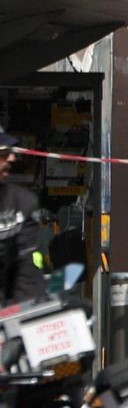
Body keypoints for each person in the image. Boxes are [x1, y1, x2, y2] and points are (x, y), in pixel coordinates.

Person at [0, 129, 45, 306]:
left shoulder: (22, 202)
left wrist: (20, 316)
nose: (11, 158)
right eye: (4, 153)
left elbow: (26, 267)